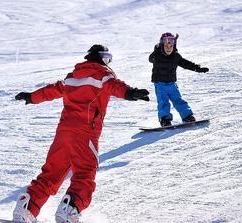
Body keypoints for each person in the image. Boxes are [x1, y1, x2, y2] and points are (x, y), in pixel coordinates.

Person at [13, 44, 150, 223]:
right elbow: (114, 86)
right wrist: (130, 93)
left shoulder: (72, 77)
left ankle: (27, 208)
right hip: (85, 133)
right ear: (102, 58)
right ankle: (70, 210)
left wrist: (31, 97)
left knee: (52, 172)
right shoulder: (102, 74)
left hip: (63, 132)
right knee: (85, 173)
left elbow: (52, 90)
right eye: (108, 59)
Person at [149, 32, 209, 127]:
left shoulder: (176, 57)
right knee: (163, 102)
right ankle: (165, 119)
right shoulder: (157, 55)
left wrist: (198, 68)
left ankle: (187, 116)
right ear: (162, 45)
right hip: (160, 84)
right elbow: (150, 59)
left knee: (178, 100)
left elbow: (186, 64)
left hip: (172, 84)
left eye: (171, 46)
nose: (168, 48)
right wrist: (156, 50)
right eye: (166, 46)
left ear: (174, 45)